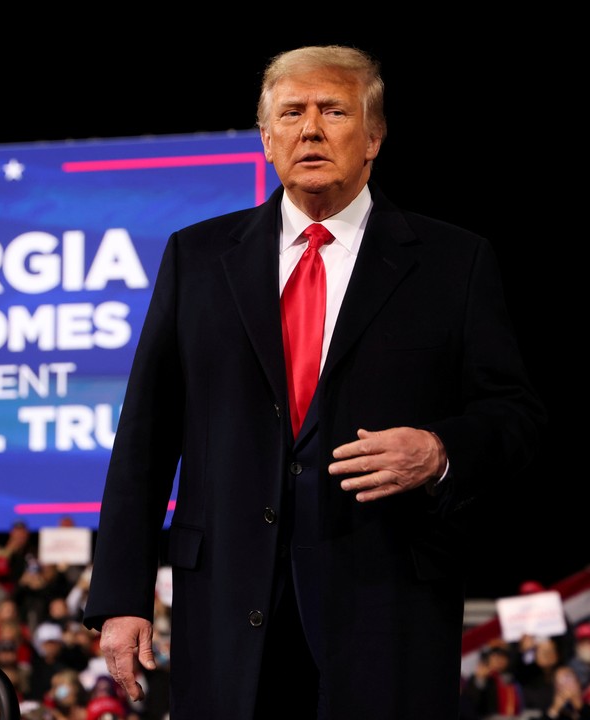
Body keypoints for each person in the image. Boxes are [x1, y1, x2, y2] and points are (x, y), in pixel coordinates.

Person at [81, 44, 546, 719]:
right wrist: (122, 596)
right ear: (267, 139)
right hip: (228, 608)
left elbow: (515, 416)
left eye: (334, 111)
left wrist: (439, 450)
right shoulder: (197, 258)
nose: (311, 130)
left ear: (374, 136)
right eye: (291, 113)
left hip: (387, 608)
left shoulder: (454, 262)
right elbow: (144, 441)